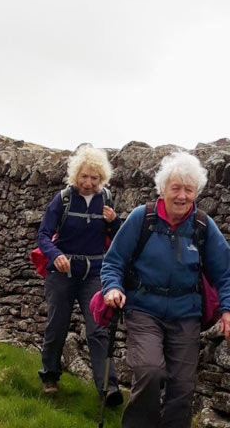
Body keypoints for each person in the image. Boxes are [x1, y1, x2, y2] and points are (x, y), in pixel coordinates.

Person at [101, 151, 230, 428]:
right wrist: (112, 287)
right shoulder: (142, 218)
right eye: (176, 188)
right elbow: (113, 261)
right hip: (144, 310)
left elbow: (226, 273)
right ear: (162, 190)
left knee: (182, 388)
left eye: (189, 189)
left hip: (186, 316)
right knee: (149, 372)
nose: (182, 196)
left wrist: (228, 310)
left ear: (197, 191)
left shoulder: (203, 227)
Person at [36, 145, 123, 405]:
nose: (88, 182)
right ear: (76, 175)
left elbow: (118, 239)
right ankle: (49, 376)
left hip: (94, 273)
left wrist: (114, 221)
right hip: (62, 272)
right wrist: (55, 255)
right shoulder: (62, 198)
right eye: (84, 176)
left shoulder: (106, 199)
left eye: (94, 178)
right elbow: (43, 234)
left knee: (98, 329)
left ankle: (108, 389)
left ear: (101, 179)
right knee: (57, 325)